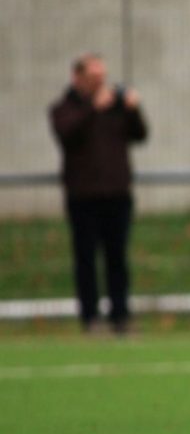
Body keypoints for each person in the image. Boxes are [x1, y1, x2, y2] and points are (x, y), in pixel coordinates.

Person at [49, 53, 148, 334]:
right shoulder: (64, 108)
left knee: (117, 258)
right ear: (77, 77)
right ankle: (90, 317)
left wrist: (133, 109)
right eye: (93, 77)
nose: (100, 83)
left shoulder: (116, 106)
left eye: (102, 77)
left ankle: (120, 316)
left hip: (117, 193)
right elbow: (66, 134)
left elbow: (140, 135)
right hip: (83, 196)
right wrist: (93, 108)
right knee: (86, 259)